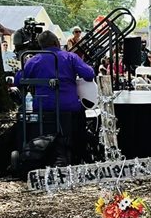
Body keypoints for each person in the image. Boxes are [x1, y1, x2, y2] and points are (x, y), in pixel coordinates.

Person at [15, 31, 96, 166]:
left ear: (41, 46)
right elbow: (89, 74)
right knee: (81, 113)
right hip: (68, 106)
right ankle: (79, 151)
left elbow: (18, 81)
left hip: (42, 106)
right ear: (56, 43)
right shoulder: (70, 57)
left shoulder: (34, 60)